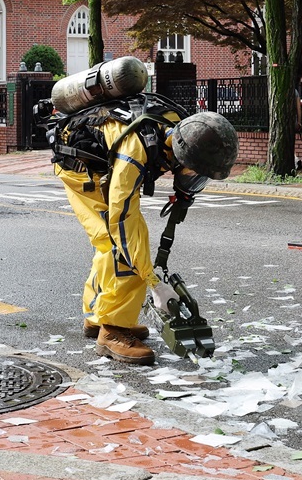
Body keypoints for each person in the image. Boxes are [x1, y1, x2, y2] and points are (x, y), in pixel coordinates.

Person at [49, 74, 239, 365]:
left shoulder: (183, 127)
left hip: (105, 163)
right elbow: (121, 220)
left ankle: (96, 316)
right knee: (122, 247)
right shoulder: (134, 152)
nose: (193, 179)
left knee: (115, 245)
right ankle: (112, 331)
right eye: (194, 172)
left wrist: (183, 191)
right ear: (180, 155)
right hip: (83, 172)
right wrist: (153, 283)